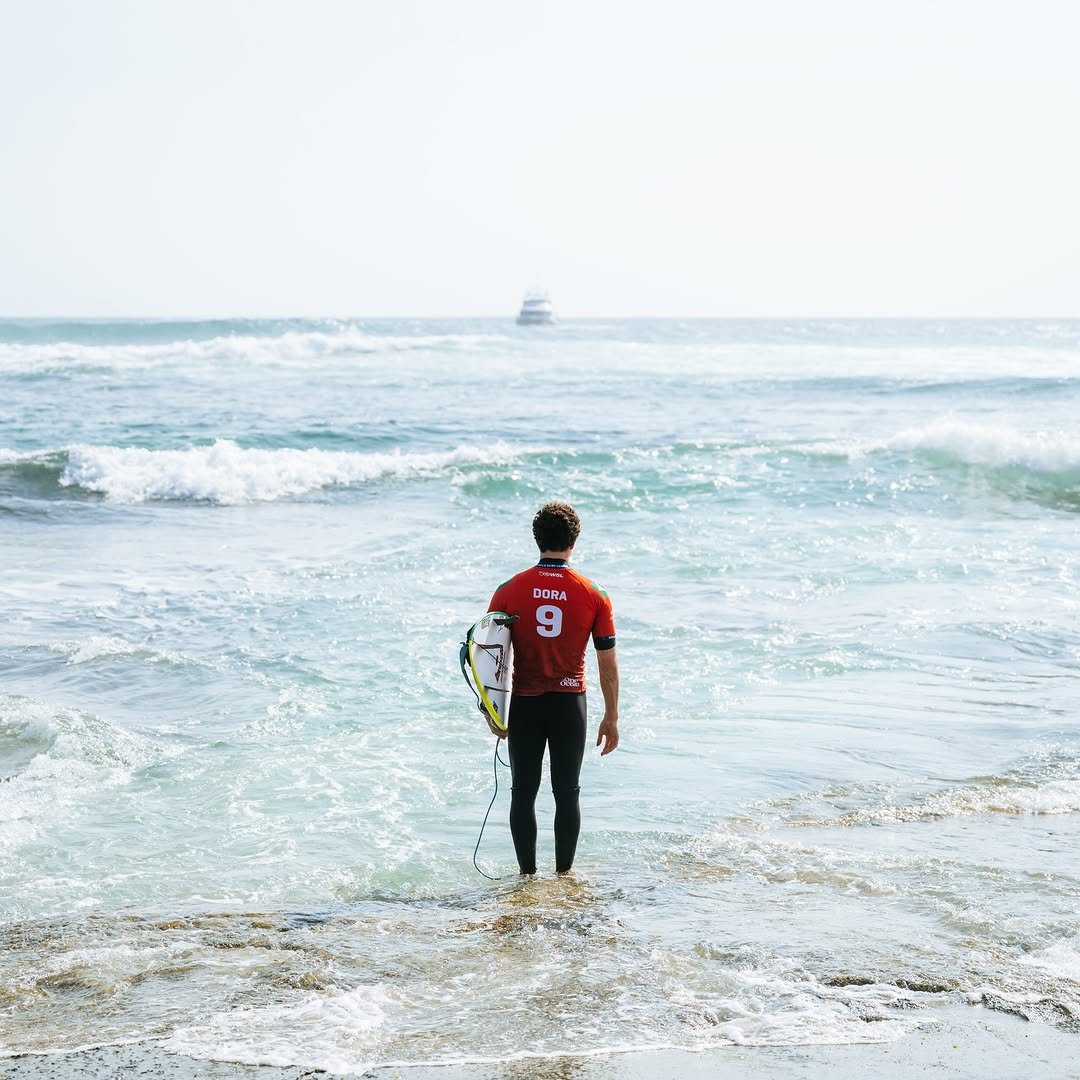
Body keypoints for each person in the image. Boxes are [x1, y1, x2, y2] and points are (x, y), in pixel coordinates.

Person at [487, 501, 619, 876]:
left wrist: (492, 711)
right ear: (574, 540)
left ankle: (526, 879)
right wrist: (611, 717)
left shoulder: (509, 590)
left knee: (522, 792)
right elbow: (607, 664)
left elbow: (490, 657)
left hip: (525, 704)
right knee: (567, 792)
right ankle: (565, 878)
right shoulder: (594, 593)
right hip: (569, 704)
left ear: (537, 538)